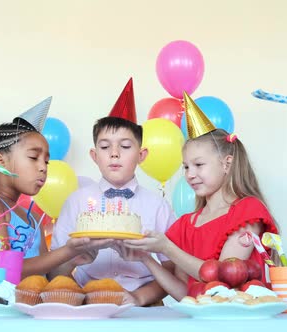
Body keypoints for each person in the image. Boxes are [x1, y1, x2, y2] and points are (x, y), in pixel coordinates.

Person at [119, 93, 278, 300]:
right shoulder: (186, 225)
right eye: (186, 167)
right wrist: (146, 259)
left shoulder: (248, 211)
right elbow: (185, 295)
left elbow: (226, 280)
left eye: (199, 165)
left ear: (226, 163)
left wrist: (166, 247)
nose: (190, 174)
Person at [49, 78, 176, 306]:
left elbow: (172, 267)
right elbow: (54, 269)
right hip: (88, 303)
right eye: (105, 147)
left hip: (146, 305)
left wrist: (140, 298)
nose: (114, 154)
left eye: (125, 146)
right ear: (94, 155)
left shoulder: (158, 206)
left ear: (142, 155)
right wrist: (73, 259)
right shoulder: (76, 202)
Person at [0, 97, 110, 278]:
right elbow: (0, 268)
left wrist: (73, 258)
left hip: (31, 306)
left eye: (46, 161)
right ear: (1, 162)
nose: (43, 167)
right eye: (33, 158)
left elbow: (47, 276)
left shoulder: (32, 217)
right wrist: (67, 251)